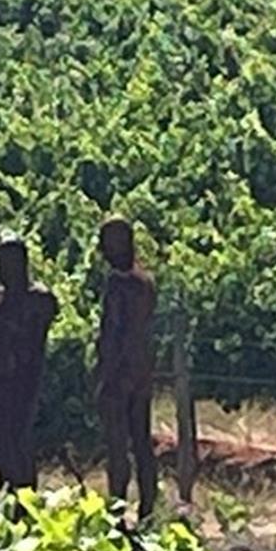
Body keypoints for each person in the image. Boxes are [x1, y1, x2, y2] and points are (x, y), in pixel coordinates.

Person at [0, 234, 58, 491]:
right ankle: (6, 492)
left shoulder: (39, 299)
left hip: (26, 378)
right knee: (2, 439)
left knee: (20, 438)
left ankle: (25, 496)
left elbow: (35, 335)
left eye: (9, 263)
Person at [96, 216, 158, 521]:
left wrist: (105, 374)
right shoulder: (146, 281)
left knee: (118, 444)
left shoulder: (117, 283)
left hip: (120, 372)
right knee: (142, 441)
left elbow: (114, 332)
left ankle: (118, 510)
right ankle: (148, 508)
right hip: (142, 369)